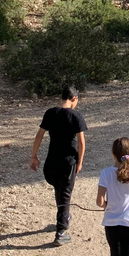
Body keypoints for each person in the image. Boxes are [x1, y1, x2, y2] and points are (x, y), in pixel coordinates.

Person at [30, 86, 87, 247]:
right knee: (65, 194)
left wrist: (34, 156)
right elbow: (81, 142)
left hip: (51, 161)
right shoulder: (75, 116)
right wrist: (80, 161)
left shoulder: (50, 113)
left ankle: (64, 217)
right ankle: (60, 232)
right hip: (68, 162)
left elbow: (39, 135)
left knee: (59, 190)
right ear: (74, 99)